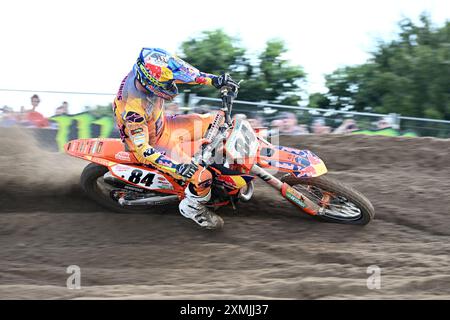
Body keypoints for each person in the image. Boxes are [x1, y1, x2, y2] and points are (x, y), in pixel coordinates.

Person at [113, 48, 239, 229]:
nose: (171, 85)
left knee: (215, 122)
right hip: (154, 146)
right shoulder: (132, 109)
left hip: (164, 125)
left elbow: (185, 73)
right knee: (201, 177)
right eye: (166, 84)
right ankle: (192, 207)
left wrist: (215, 80)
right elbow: (143, 149)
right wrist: (177, 166)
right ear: (151, 84)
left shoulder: (152, 69)